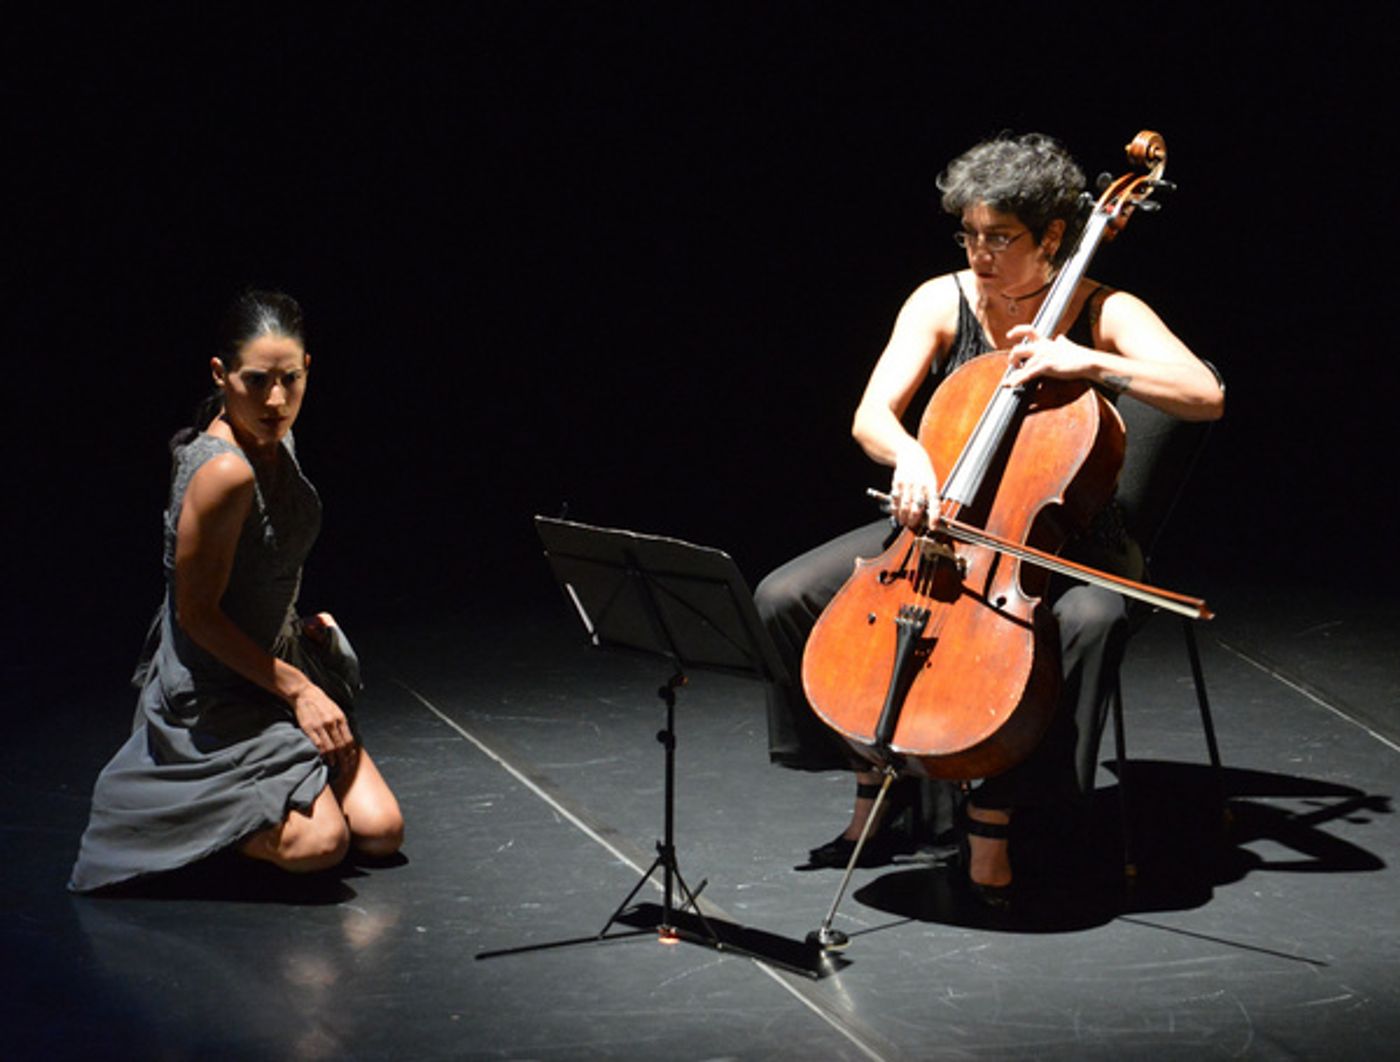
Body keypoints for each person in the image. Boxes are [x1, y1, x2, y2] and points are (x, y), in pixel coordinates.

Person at [755, 133, 1224, 902]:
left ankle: (1000, 818)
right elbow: (871, 416)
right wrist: (909, 457)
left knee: (1087, 622)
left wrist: (1092, 363)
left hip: (1073, 541)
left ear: (1051, 238)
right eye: (968, 234)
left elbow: (1205, 395)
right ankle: (879, 772)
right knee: (785, 596)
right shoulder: (941, 300)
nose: (979, 253)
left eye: (999, 237)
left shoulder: (1106, 309)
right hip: (951, 523)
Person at [70, 290, 404, 893]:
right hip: (218, 688)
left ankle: (274, 790)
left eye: (290, 379)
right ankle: (189, 826)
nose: (276, 400)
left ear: (308, 371)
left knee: (380, 833)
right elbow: (196, 616)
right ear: (222, 375)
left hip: (274, 659)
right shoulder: (223, 470)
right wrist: (300, 689)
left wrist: (296, 625)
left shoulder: (273, 437)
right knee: (321, 845)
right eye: (257, 381)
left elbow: (262, 561)